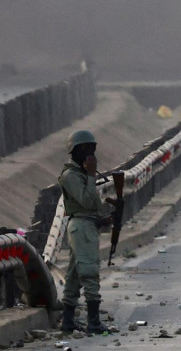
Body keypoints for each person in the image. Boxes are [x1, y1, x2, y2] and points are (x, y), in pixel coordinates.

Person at [59, 130, 112, 335]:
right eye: (88, 149)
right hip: (81, 227)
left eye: (93, 149)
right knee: (89, 272)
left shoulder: (79, 173)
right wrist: (91, 175)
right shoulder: (71, 175)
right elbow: (86, 201)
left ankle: (68, 322)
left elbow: (89, 207)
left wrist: (102, 220)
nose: (91, 154)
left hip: (86, 225)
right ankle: (94, 322)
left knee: (73, 276)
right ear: (78, 150)